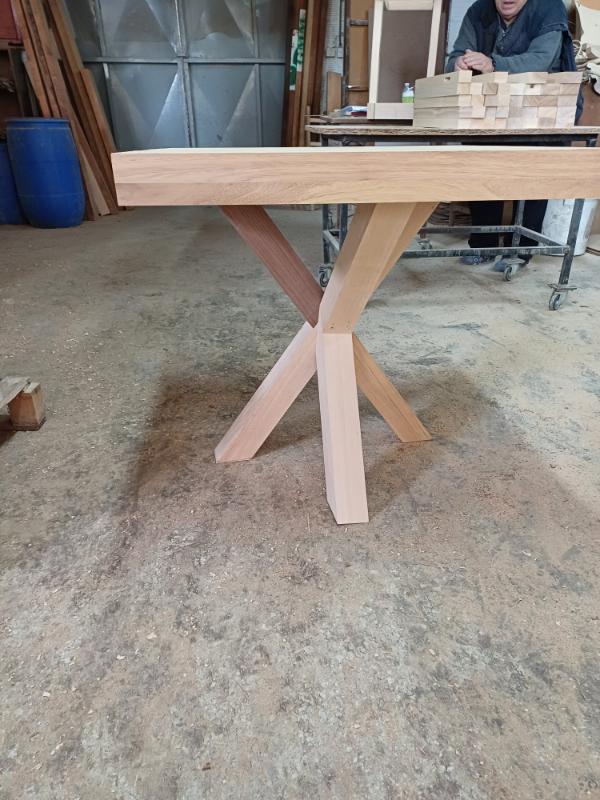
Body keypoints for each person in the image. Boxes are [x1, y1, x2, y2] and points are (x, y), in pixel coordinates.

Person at [446, 0, 581, 267]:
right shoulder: (478, 11)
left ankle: (520, 250)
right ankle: (483, 245)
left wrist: (493, 64)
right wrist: (459, 63)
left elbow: (542, 59)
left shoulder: (549, 7)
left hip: (541, 107)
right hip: (491, 107)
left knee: (532, 179)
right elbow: (456, 53)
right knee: (484, 172)